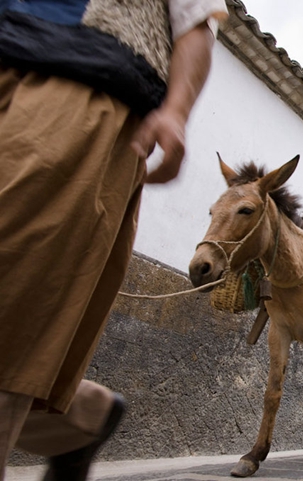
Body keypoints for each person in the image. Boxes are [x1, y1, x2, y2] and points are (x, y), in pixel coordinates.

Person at [0, 1, 228, 479]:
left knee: (10, 309)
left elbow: (196, 17)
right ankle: (79, 418)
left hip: (75, 82)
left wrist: (177, 111)